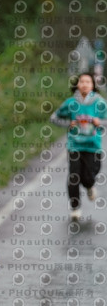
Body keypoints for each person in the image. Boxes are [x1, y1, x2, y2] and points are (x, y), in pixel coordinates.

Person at [50, 72, 107, 220]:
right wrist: (69, 124)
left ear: (93, 85)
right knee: (74, 177)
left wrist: (99, 122)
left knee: (88, 177)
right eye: (82, 81)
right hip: (74, 145)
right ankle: (75, 208)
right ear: (77, 84)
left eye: (88, 82)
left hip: (93, 146)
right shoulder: (70, 103)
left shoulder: (99, 103)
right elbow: (54, 118)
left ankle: (89, 186)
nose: (84, 84)